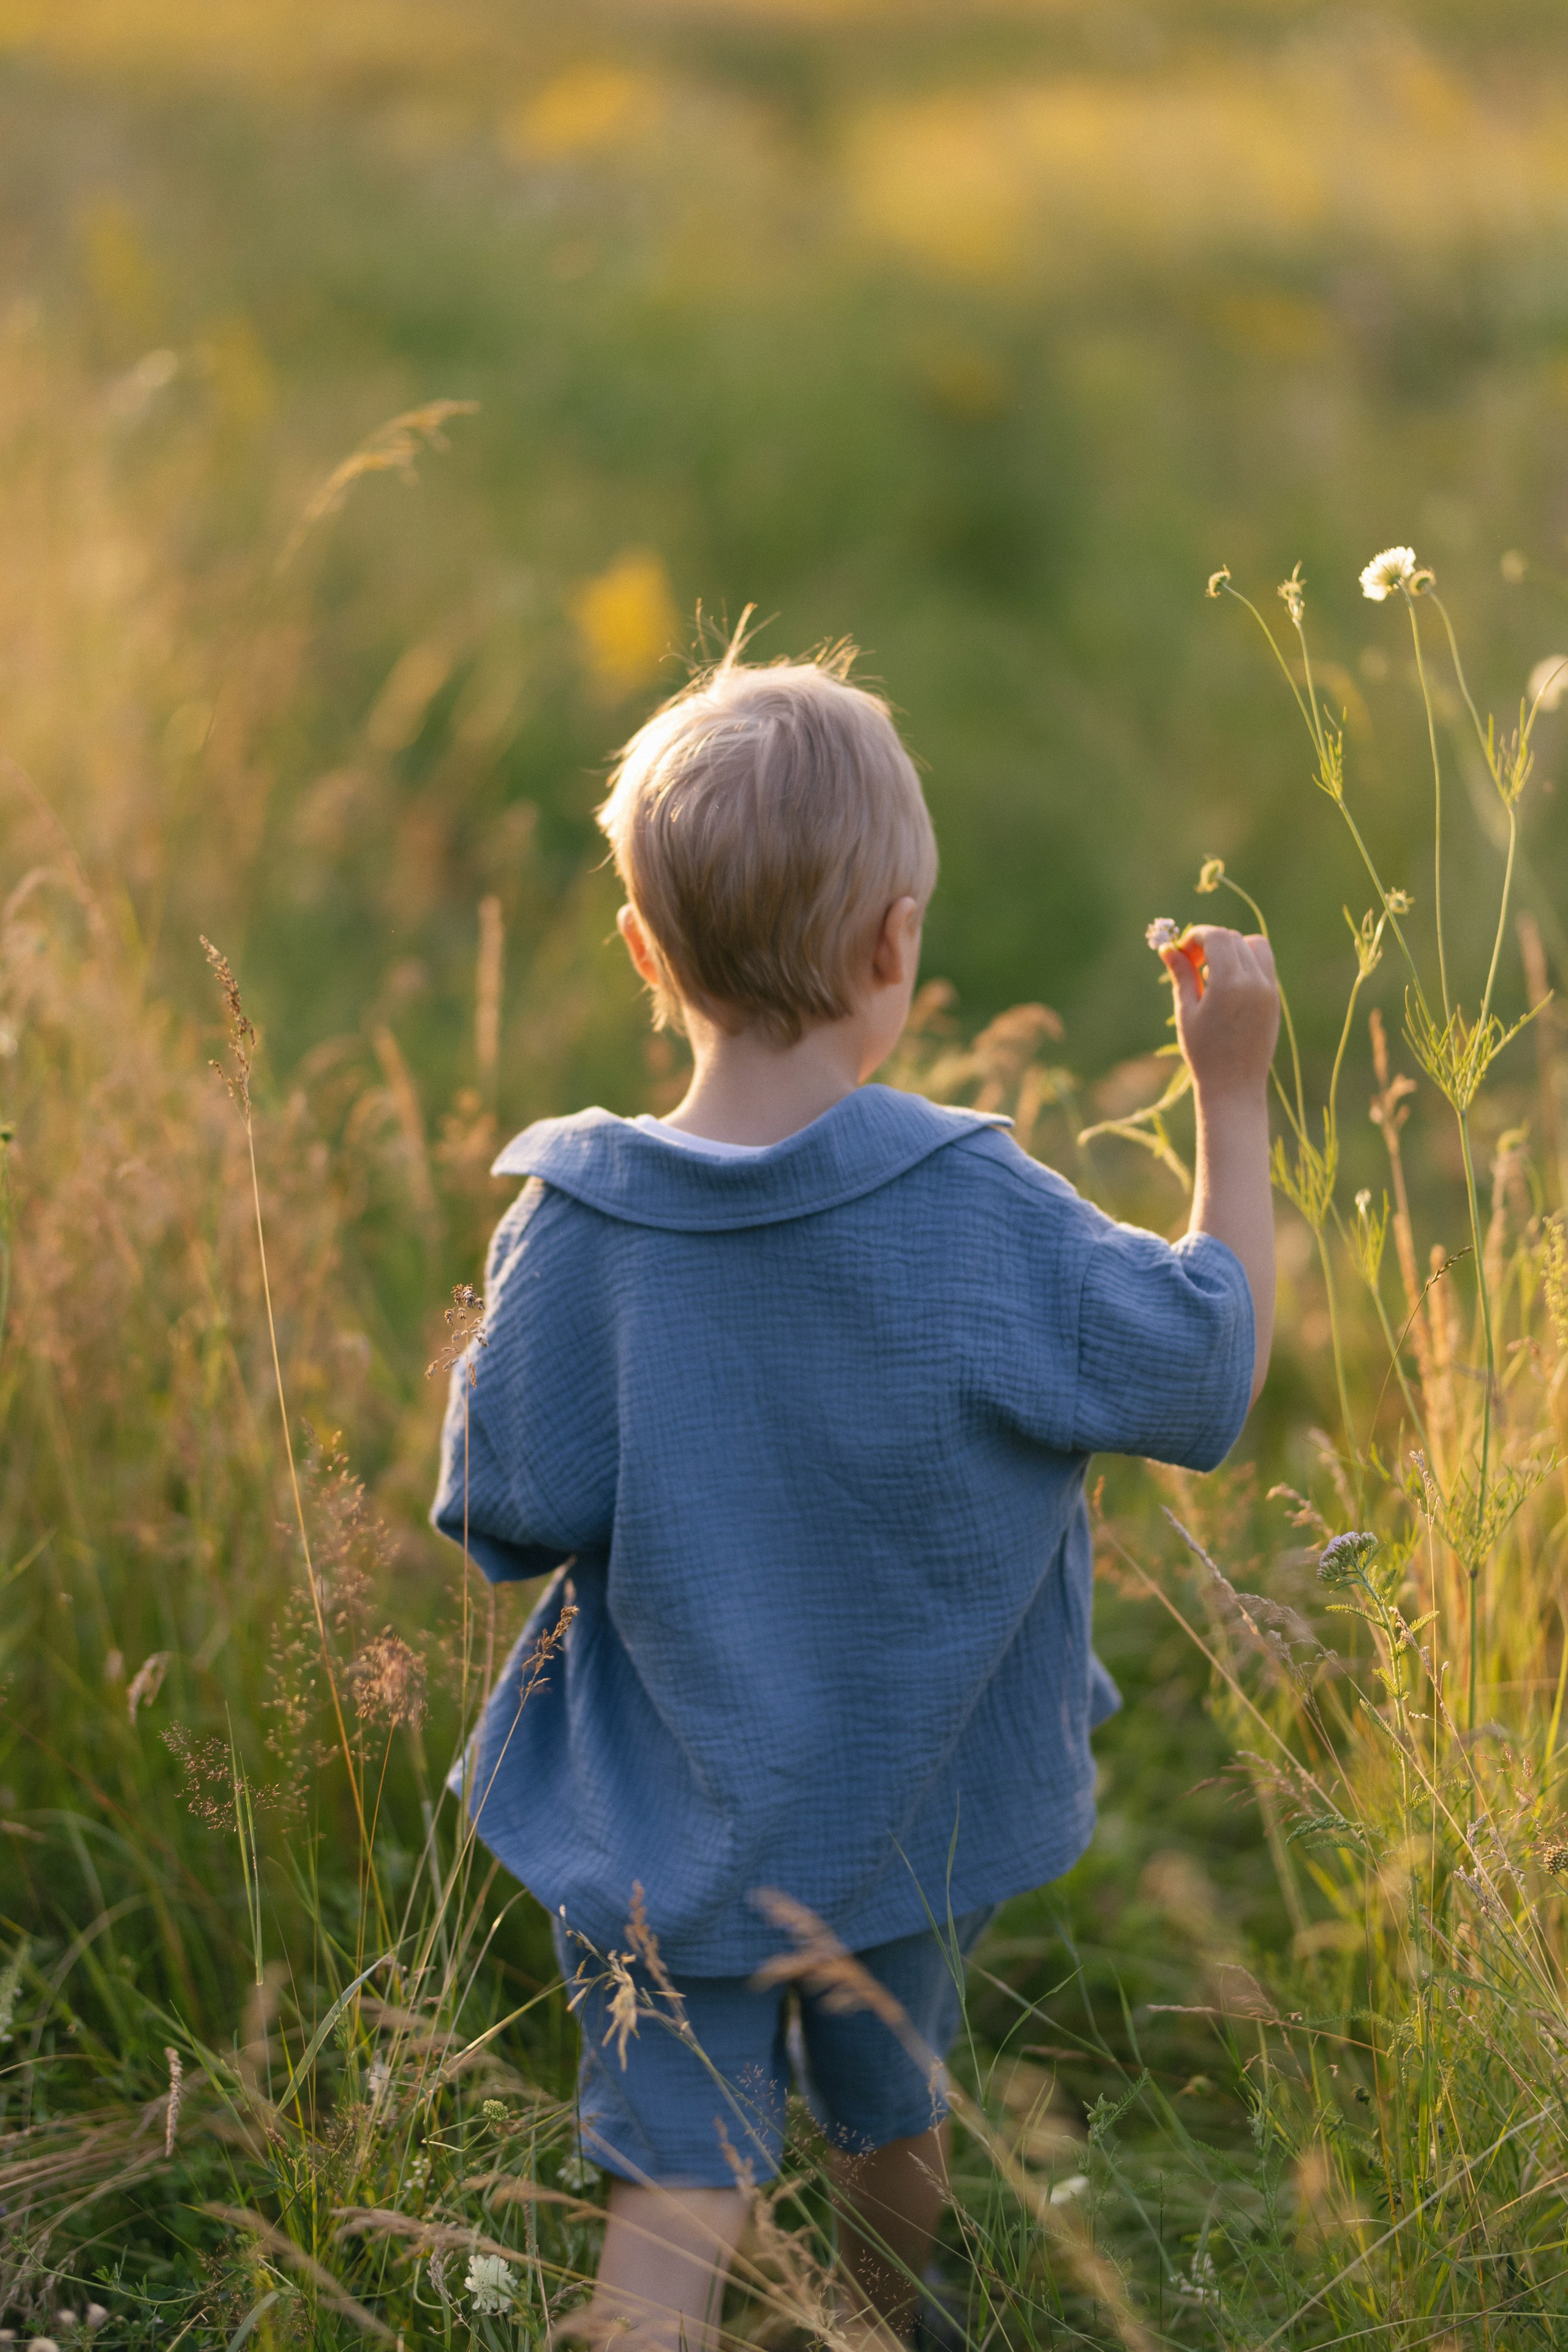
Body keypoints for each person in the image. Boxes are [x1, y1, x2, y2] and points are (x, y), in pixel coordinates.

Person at [431, 643, 1278, 2352]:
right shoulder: (977, 1209)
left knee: (676, 2192)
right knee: (892, 2116)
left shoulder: (575, 1225)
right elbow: (1203, 1374)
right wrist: (1232, 1089)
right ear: (897, 946)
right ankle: (884, 2325)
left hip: (661, 1835)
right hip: (907, 1820)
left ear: (643, 949)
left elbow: (504, 1507)